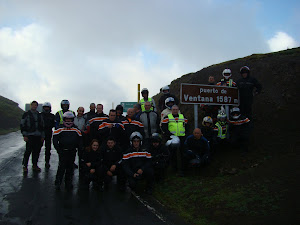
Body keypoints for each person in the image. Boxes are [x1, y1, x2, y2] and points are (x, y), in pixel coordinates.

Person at [53, 111, 83, 190]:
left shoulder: (76, 129)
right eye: (67, 119)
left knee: (70, 168)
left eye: (70, 120)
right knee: (61, 167)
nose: (69, 121)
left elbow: (80, 140)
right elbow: (55, 140)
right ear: (64, 119)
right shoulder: (59, 128)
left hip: (72, 151)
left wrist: (79, 148)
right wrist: (58, 149)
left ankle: (68, 183)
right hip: (62, 151)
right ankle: (58, 182)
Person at [161, 105, 187, 176]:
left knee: (182, 154)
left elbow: (187, 126)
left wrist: (186, 134)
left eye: (176, 109)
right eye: (174, 109)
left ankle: (182, 170)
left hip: (182, 137)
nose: (175, 111)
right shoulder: (167, 117)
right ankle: (174, 170)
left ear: (178, 110)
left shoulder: (183, 117)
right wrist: (168, 135)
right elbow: (163, 127)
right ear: (171, 110)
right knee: (173, 155)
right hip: (172, 138)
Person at [20, 100, 45, 172]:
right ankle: (25, 165)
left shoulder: (39, 115)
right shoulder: (26, 114)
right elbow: (22, 125)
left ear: (37, 106)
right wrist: (25, 135)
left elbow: (42, 126)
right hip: (30, 135)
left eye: (35, 105)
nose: (34, 106)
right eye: (33, 105)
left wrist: (43, 136)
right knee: (28, 151)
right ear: (31, 106)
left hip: (38, 136)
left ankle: (35, 165)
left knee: (36, 151)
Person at [41, 102, 55, 169]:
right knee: (37, 149)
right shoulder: (40, 115)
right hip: (40, 133)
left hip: (49, 133)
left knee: (48, 149)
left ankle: (47, 162)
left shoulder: (52, 116)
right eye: (45, 107)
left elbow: (54, 124)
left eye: (47, 107)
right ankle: (35, 163)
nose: (46, 108)